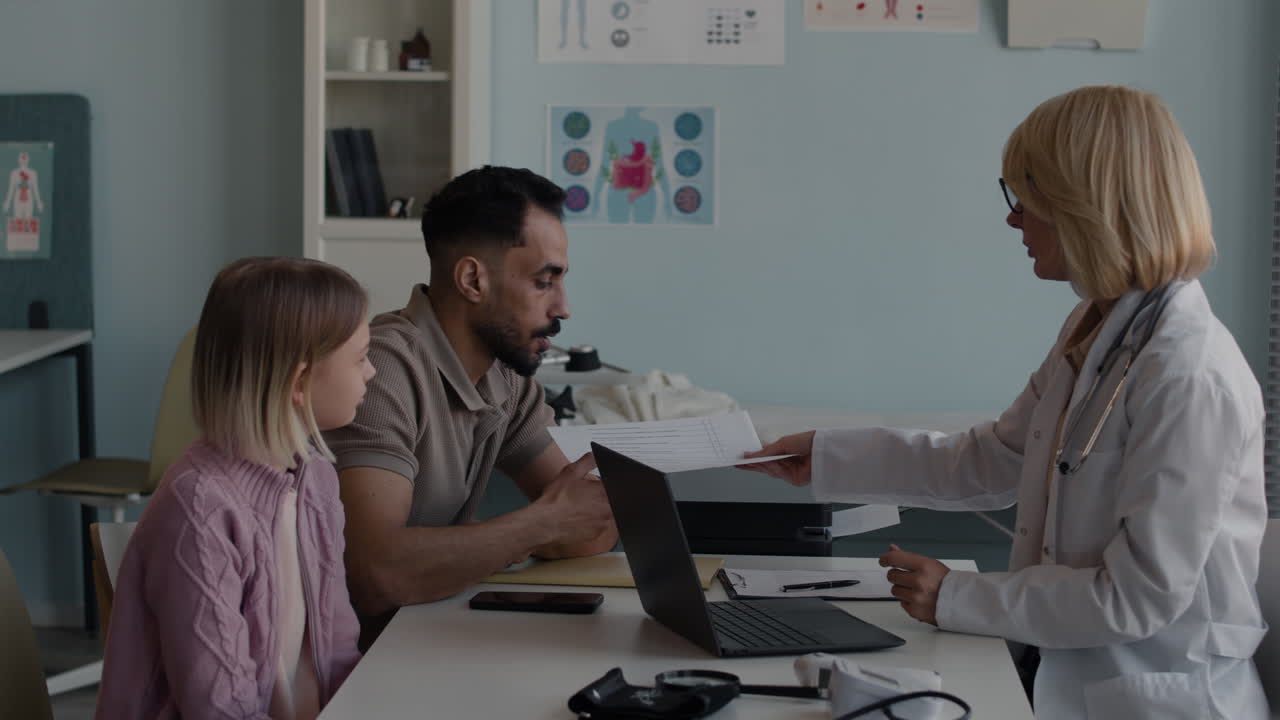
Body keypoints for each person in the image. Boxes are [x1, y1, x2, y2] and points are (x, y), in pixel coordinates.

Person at [743, 85, 1270, 719]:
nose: (1013, 219)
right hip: (1071, 676)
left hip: (1157, 700)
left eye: (1026, 197)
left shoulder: (1190, 374)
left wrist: (959, 597)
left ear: (1085, 207)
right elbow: (996, 459)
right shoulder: (1097, 329)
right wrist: (826, 457)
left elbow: (1139, 600)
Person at [324, 166, 616, 641]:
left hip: (431, 633)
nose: (564, 308)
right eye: (545, 281)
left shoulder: (505, 373)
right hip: (357, 668)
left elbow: (592, 525)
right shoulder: (381, 370)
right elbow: (377, 575)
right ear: (472, 280)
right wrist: (535, 526)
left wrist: (490, 540)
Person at [96, 257, 373, 719]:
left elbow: (339, 648)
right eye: (361, 358)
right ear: (299, 381)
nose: (371, 373)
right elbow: (220, 709)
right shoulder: (200, 505)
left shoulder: (316, 479)